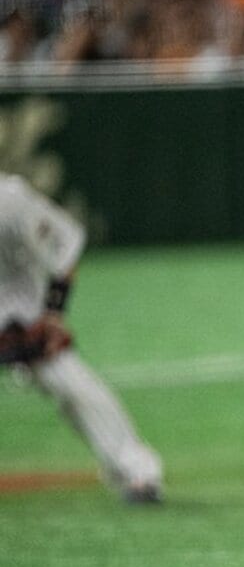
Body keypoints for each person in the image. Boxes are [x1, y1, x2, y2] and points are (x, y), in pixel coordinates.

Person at [1, 172, 164, 503]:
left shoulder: (9, 201)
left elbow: (67, 239)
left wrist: (53, 312)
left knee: (71, 385)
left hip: (21, 314)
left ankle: (138, 472)